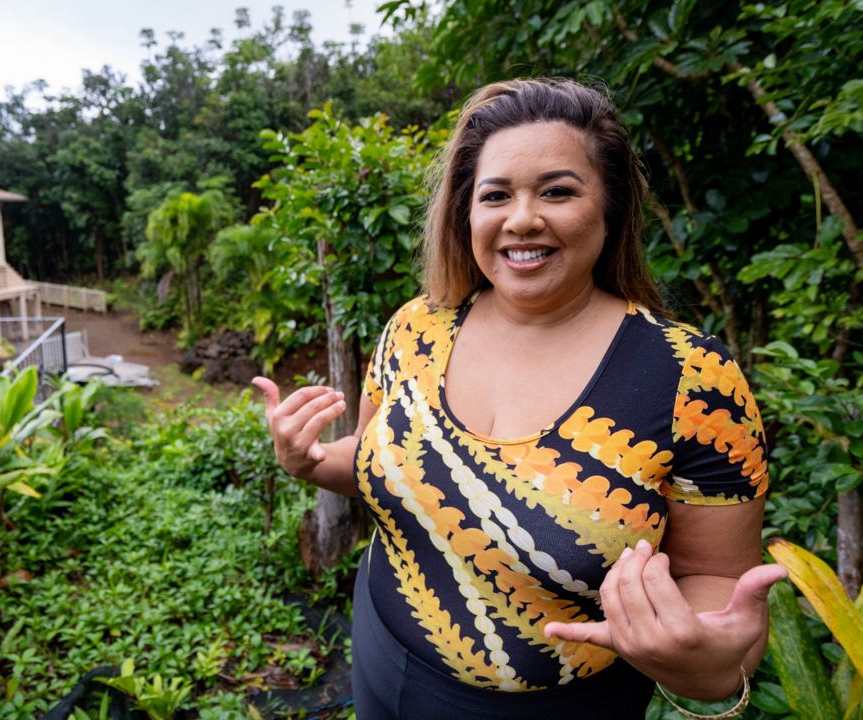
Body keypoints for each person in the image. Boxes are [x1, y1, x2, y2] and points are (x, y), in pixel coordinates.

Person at [252, 77, 786, 719]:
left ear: (610, 206)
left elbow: (717, 580)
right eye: (495, 195)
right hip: (381, 650)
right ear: (467, 214)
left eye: (557, 191)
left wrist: (704, 659)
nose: (522, 218)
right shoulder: (417, 328)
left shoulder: (692, 377)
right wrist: (309, 463)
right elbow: (373, 461)